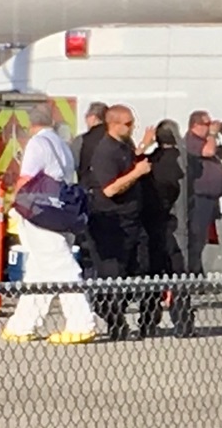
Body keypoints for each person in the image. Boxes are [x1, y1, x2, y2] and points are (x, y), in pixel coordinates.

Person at [1, 105, 97, 345]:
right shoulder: (61, 144)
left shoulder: (37, 144)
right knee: (38, 272)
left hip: (40, 214)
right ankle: (23, 324)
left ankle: (82, 323)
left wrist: (13, 204)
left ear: (30, 123)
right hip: (60, 211)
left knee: (62, 267)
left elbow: (27, 177)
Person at [88, 104, 155, 340]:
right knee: (112, 275)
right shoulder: (105, 151)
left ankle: (119, 312)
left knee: (140, 266)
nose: (132, 127)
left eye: (132, 123)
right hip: (112, 223)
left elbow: (131, 161)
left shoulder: (124, 145)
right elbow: (109, 189)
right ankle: (114, 321)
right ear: (113, 124)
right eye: (128, 124)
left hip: (132, 220)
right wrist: (137, 173)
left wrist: (144, 145)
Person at [140, 119, 195, 336]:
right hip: (178, 224)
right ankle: (183, 323)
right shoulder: (185, 163)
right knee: (179, 275)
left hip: (153, 224)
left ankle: (147, 322)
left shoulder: (150, 161)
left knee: (153, 275)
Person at [184, 110, 222, 275]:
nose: (210, 127)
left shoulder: (207, 140)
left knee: (208, 238)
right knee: (197, 236)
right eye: (207, 123)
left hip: (212, 197)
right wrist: (212, 134)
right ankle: (193, 272)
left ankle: (202, 269)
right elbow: (208, 152)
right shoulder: (191, 140)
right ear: (195, 125)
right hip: (199, 196)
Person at [73, 101, 108, 186]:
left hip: (88, 188)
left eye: (86, 116)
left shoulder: (81, 140)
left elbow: (73, 164)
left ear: (93, 117)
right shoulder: (116, 138)